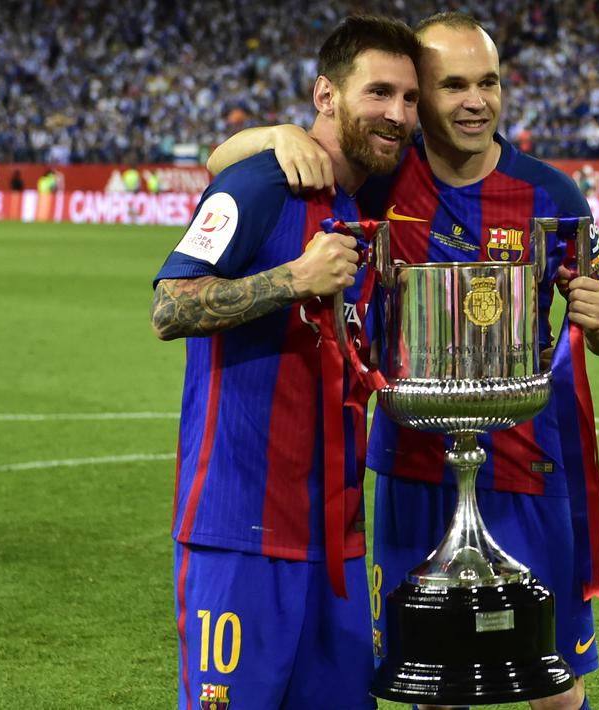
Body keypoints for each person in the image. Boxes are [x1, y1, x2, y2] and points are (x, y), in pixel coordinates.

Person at [208, 12, 599, 710]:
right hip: (411, 468)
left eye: (488, 82)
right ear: (417, 98)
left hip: (527, 465)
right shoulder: (379, 180)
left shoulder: (551, 196)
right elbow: (223, 162)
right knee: (433, 683)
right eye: (453, 85)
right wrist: (277, 134)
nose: (475, 101)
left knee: (551, 686)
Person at [149, 15, 420, 710]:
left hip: (335, 542)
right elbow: (171, 307)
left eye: (409, 98)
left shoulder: (368, 198)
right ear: (325, 96)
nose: (397, 114)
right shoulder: (262, 184)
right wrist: (291, 280)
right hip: (240, 534)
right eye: (379, 93)